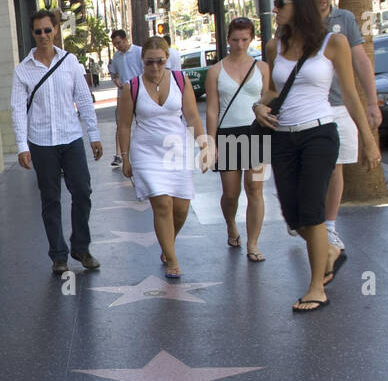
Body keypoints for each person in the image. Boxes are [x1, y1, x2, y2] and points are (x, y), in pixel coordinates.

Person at [253, 0, 380, 313]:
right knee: (294, 217)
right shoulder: (273, 47)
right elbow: (270, 92)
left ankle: (315, 288)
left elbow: (351, 95)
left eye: (281, 3)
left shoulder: (332, 42)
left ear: (300, 5)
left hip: (319, 134)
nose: (275, 9)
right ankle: (332, 252)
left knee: (312, 210)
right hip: (283, 137)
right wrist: (258, 105)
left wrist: (368, 141)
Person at [11, 9, 104, 275]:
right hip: (41, 142)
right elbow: (17, 109)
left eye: (47, 30)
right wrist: (22, 146)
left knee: (82, 192)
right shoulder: (23, 70)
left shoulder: (70, 62)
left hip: (71, 138)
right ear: (33, 33)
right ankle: (58, 255)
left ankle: (81, 248)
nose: (43, 35)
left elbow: (84, 99)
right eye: (38, 31)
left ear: (55, 30)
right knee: (50, 199)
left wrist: (94, 136)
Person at [308, 0, 383, 281]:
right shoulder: (300, 20)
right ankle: (308, 219)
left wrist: (370, 101)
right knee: (313, 168)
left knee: (336, 166)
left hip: (340, 105)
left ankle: (329, 226)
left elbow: (361, 61)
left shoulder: (346, 19)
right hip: (311, 106)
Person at [115, 36, 212, 278]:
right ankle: (172, 258)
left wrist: (204, 147)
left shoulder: (181, 80)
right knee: (162, 204)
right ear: (142, 61)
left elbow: (192, 116)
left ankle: (167, 244)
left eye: (160, 61)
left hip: (176, 150)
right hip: (146, 152)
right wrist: (125, 157)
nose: (155, 67)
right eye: (150, 62)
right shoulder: (132, 87)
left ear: (167, 59)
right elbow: (124, 125)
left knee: (181, 208)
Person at [205, 17, 271, 262]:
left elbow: (268, 101)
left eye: (244, 39)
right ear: (227, 39)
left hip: (256, 132)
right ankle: (231, 224)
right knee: (230, 193)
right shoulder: (216, 71)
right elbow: (212, 109)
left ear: (251, 38)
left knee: (255, 188)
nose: (240, 44)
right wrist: (211, 143)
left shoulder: (262, 68)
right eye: (235, 39)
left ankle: (253, 243)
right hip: (228, 134)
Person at [109, 29, 144, 167]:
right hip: (123, 94)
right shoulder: (116, 56)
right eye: (115, 44)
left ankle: (141, 150)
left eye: (119, 42)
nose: (117, 46)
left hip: (139, 92)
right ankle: (119, 154)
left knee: (141, 121)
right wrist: (116, 79)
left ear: (125, 39)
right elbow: (114, 73)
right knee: (121, 124)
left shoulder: (139, 52)